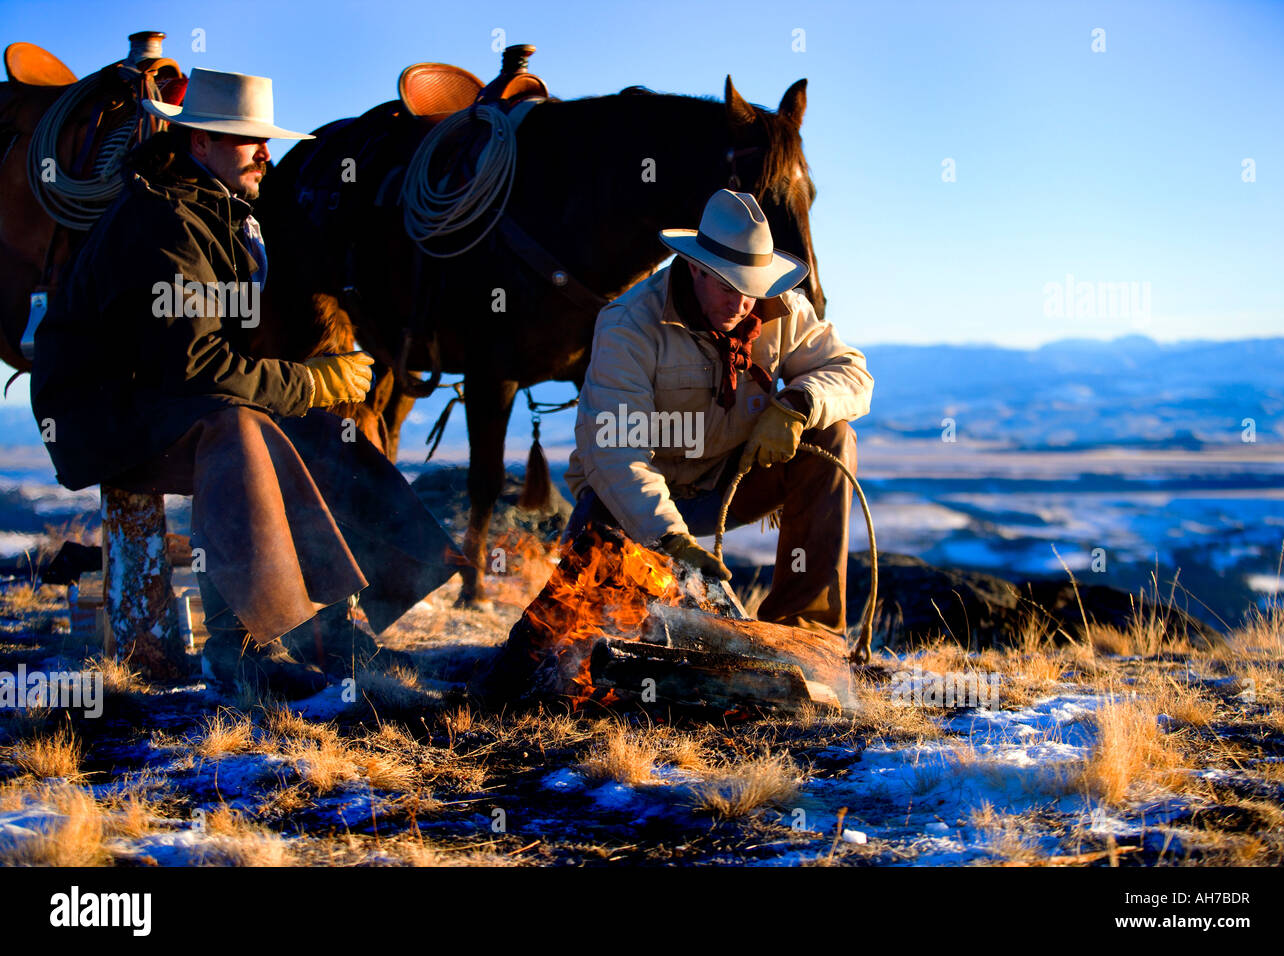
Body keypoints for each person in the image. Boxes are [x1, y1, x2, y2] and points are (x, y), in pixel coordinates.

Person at [30, 69, 459, 698]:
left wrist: (307, 390)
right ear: (198, 144)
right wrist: (307, 379)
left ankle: (331, 627)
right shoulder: (166, 222)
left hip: (159, 399)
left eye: (264, 139)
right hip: (104, 415)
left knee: (311, 425)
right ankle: (239, 648)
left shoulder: (220, 212)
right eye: (244, 140)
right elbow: (194, 365)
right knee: (239, 428)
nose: (264, 152)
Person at [564, 189, 873, 638]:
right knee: (596, 631)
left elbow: (853, 374)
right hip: (633, 499)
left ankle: (807, 633)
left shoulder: (784, 309)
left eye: (753, 289)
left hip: (728, 482)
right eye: (729, 287)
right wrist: (669, 539)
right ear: (695, 267)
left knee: (833, 438)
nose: (743, 303)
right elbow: (615, 452)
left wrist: (796, 405)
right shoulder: (628, 325)